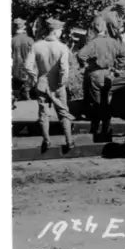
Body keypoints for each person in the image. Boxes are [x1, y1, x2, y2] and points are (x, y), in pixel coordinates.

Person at [24, 18, 76, 154]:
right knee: (63, 112)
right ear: (56, 31)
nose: (61, 32)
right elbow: (64, 68)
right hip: (58, 85)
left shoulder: (36, 46)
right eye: (60, 30)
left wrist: (35, 78)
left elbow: (27, 65)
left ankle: (46, 140)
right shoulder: (62, 47)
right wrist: (62, 82)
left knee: (43, 114)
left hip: (42, 84)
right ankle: (69, 140)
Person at [76, 17, 125, 138]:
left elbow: (80, 55)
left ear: (96, 28)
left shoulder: (94, 42)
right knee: (105, 102)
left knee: (96, 103)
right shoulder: (113, 42)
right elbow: (123, 54)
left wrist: (87, 64)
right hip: (108, 74)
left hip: (95, 73)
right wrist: (118, 67)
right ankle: (106, 128)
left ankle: (95, 130)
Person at [12, 18, 34, 107]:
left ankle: (15, 96)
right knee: (27, 80)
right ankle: (27, 94)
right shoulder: (29, 40)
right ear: (24, 27)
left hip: (15, 66)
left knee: (16, 83)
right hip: (27, 66)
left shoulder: (12, 40)